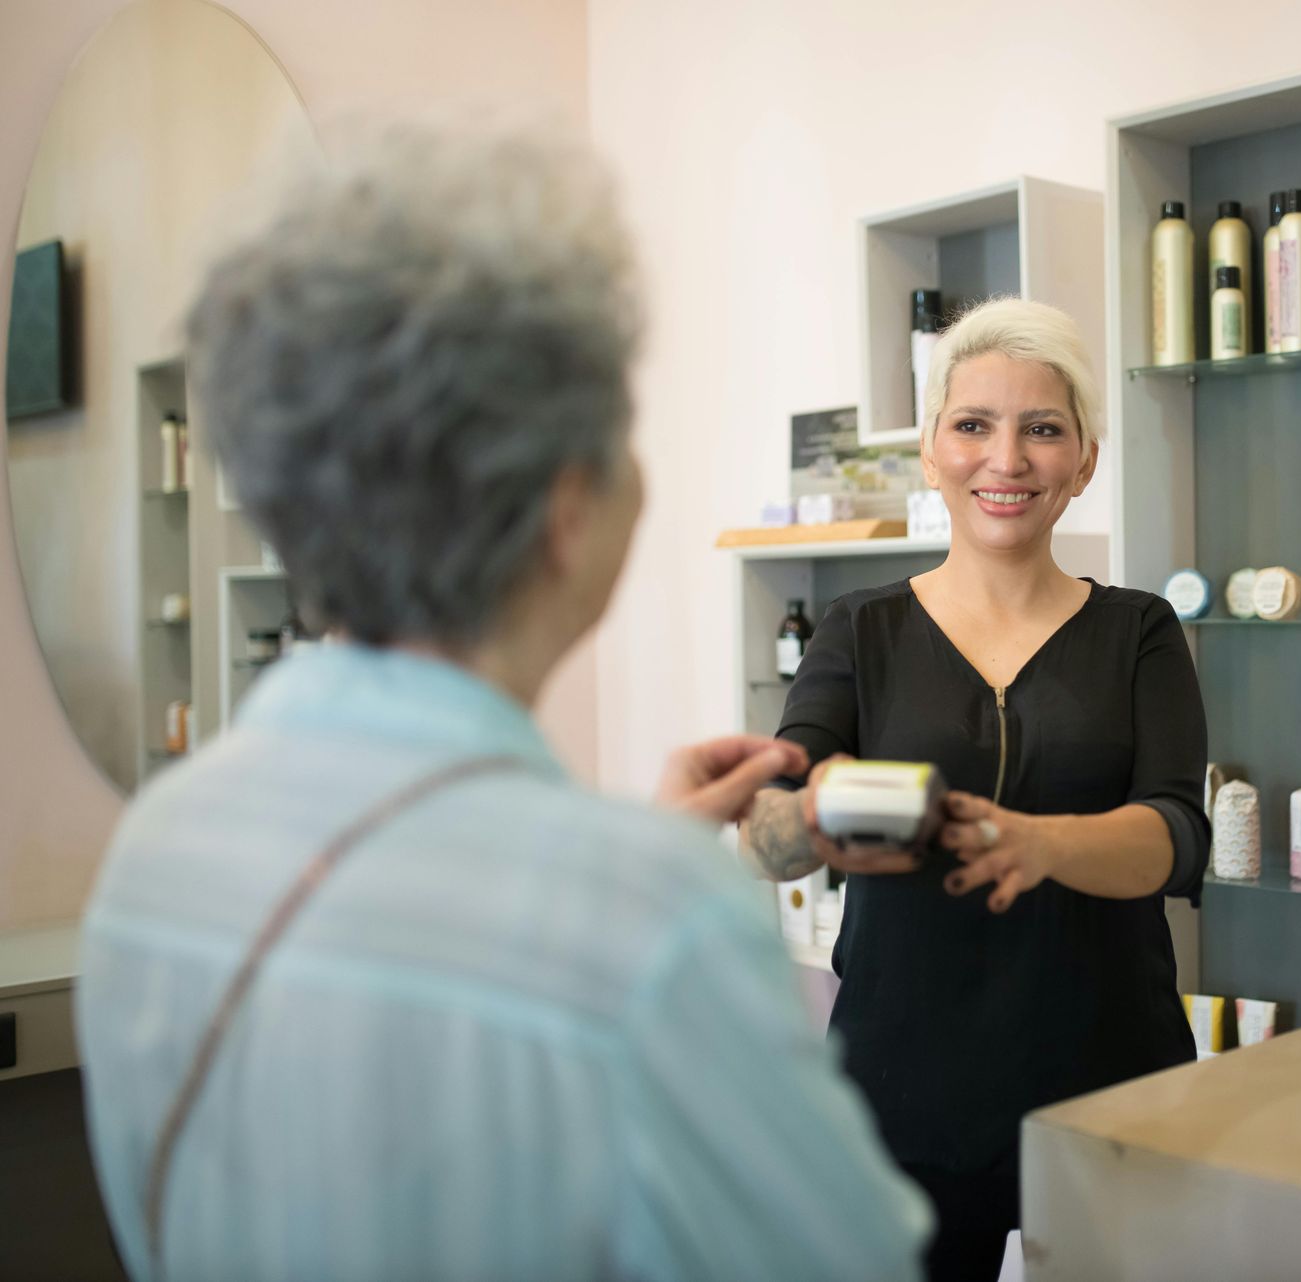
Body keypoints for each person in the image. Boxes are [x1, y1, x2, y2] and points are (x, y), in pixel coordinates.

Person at [76, 120, 930, 1282]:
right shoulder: (647, 925)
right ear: (566, 511)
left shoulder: (159, 844)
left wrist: (634, 855)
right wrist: (644, 882)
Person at [741, 297, 1209, 1280]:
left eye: (1043, 429)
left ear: (1084, 460)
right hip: (902, 1083)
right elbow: (769, 837)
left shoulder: (1141, 631)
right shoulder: (856, 632)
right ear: (929, 450)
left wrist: (1041, 843)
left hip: (1109, 1080)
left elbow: (1175, 833)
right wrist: (812, 813)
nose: (1008, 459)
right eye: (973, 425)